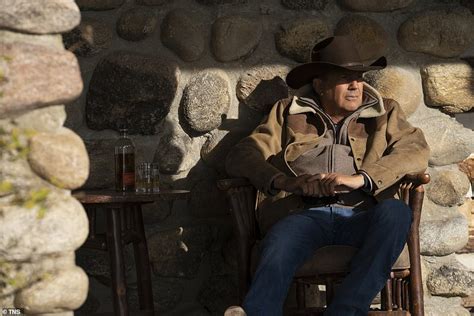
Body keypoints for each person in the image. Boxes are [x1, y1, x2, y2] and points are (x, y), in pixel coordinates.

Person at [223, 36, 430, 316]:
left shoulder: (385, 112)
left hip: (363, 213)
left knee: (396, 214)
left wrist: (362, 178)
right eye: (346, 78)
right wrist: (285, 182)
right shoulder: (288, 112)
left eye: (359, 77)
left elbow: (416, 150)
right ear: (320, 85)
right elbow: (242, 155)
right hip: (302, 214)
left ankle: (344, 311)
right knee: (280, 241)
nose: (357, 85)